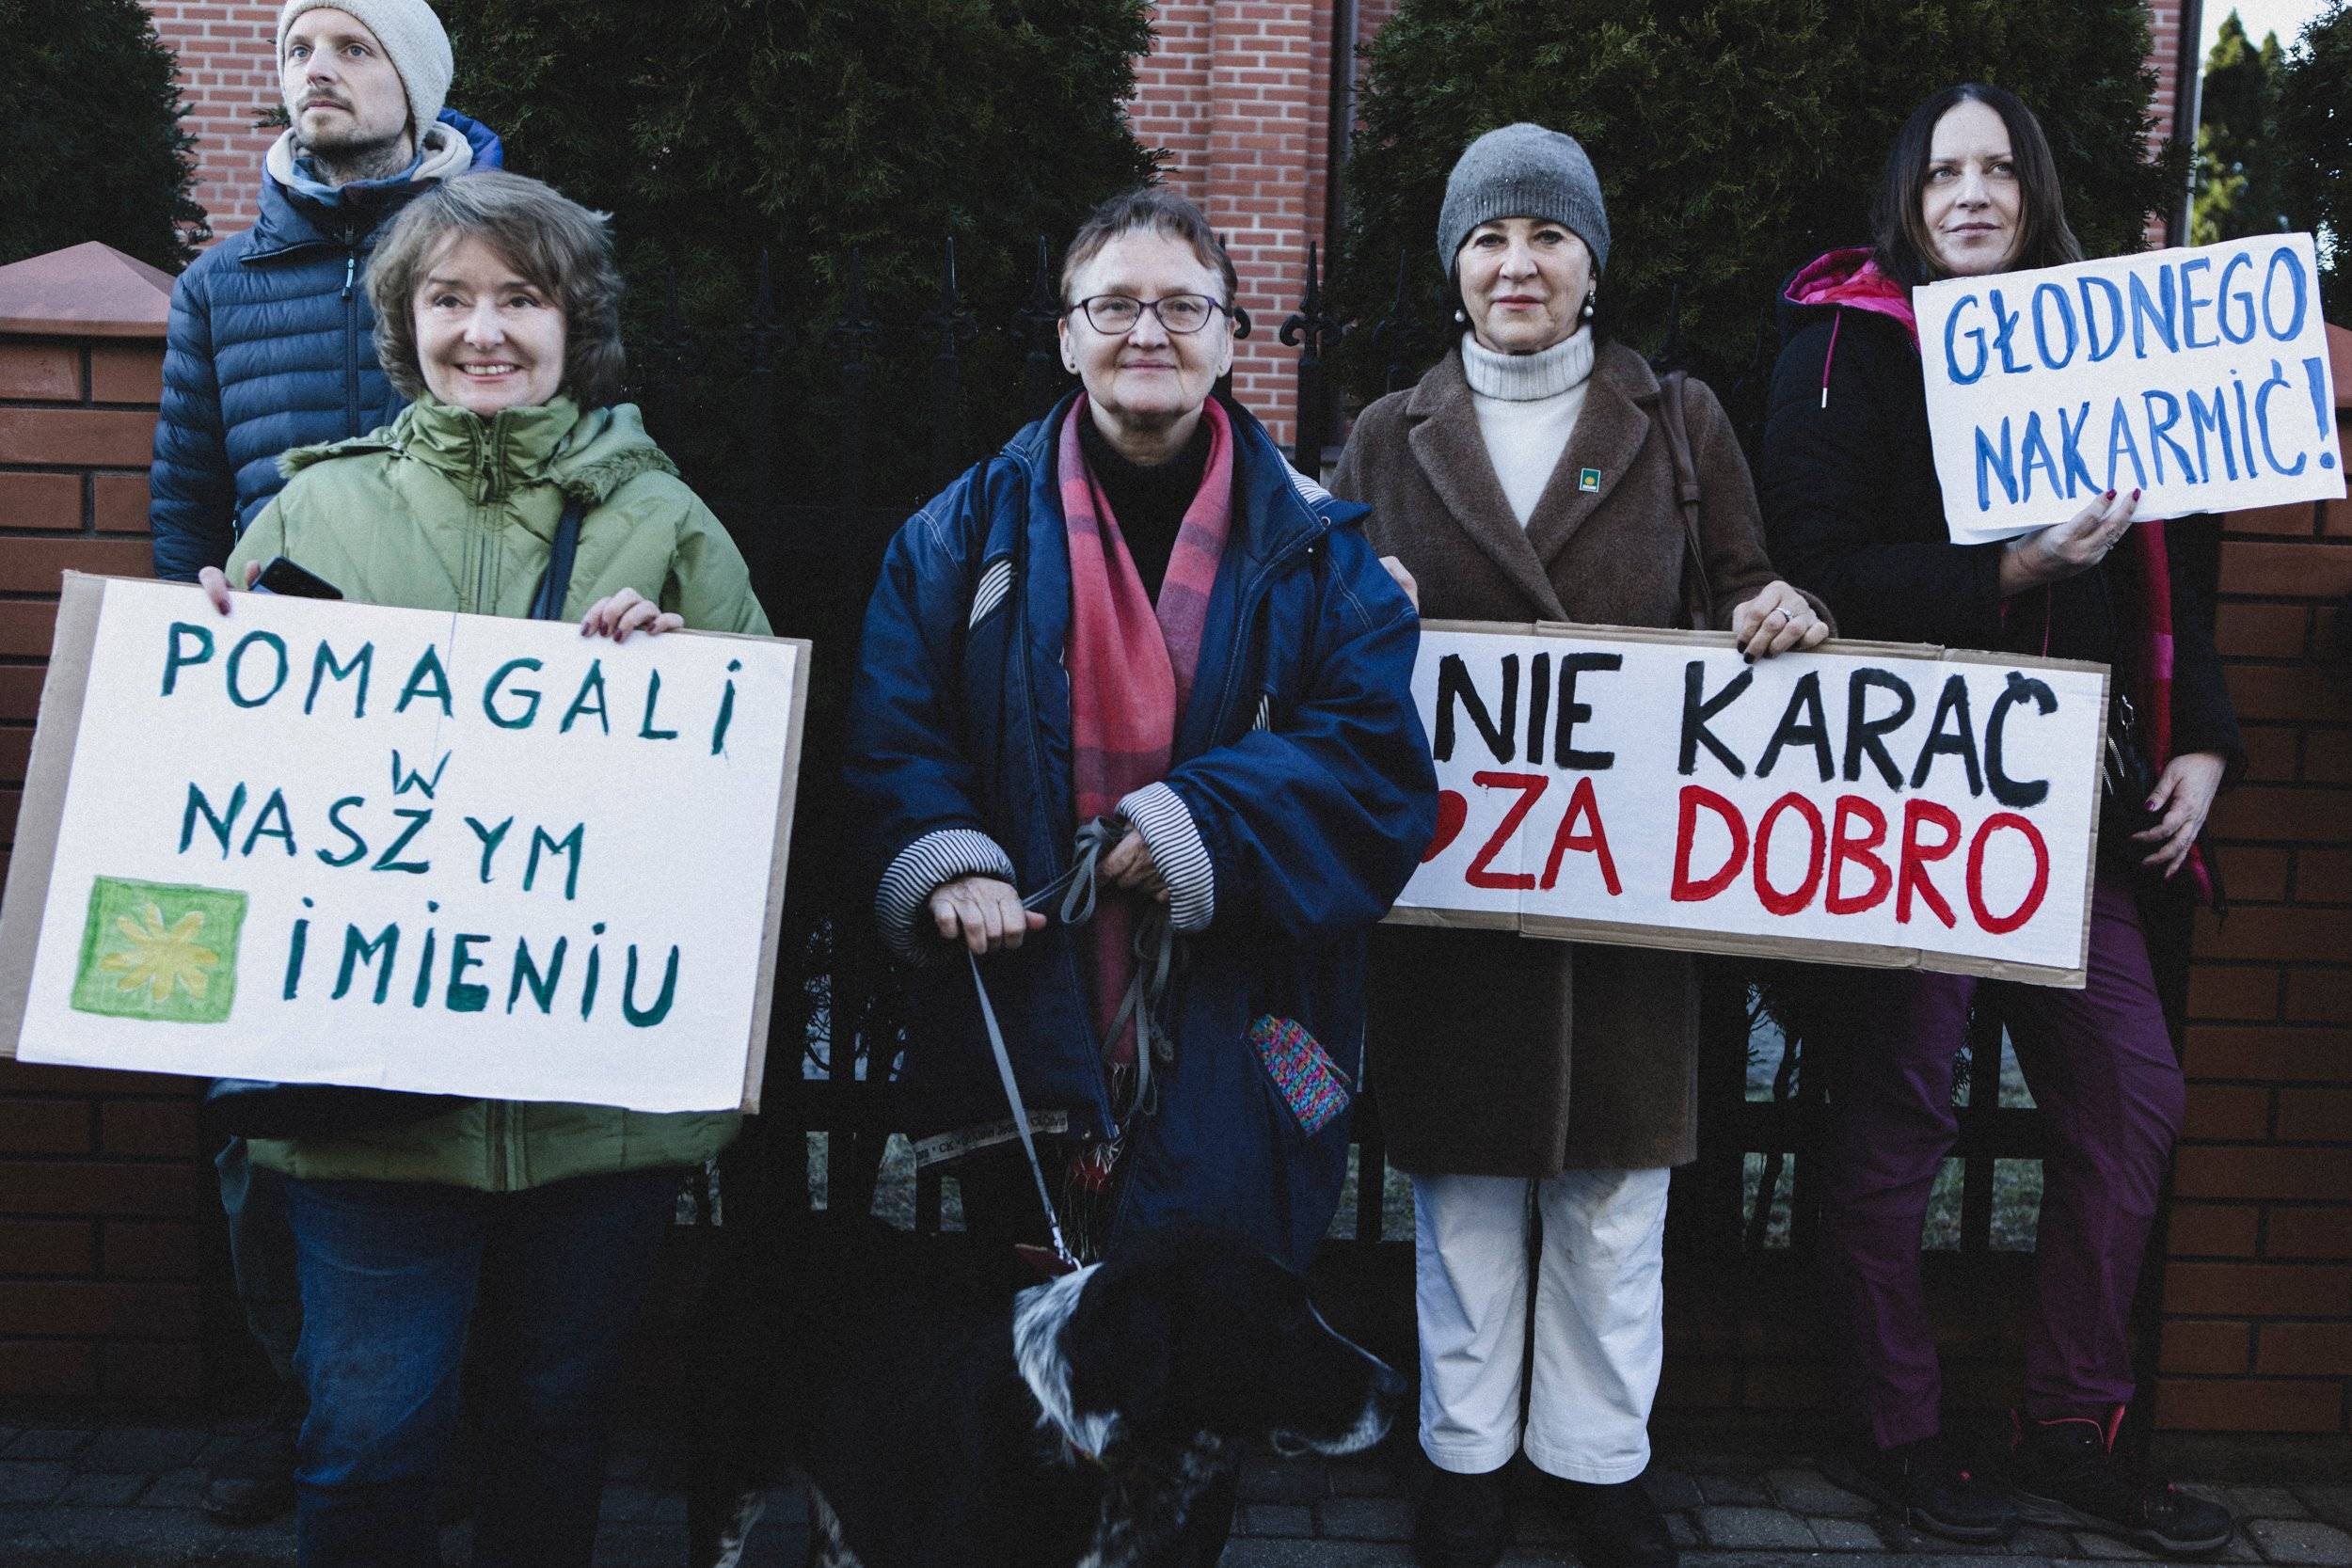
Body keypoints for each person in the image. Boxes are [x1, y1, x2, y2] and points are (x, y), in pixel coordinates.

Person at [192, 169, 770, 1568]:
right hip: (368, 1103)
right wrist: (210, 668)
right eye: (449, 298)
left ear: (577, 320)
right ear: (405, 323)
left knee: (553, 1420)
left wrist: (696, 683)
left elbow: (757, 794)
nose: (485, 329)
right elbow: (234, 794)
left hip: (590, 1110)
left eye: (522, 296)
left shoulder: (671, 526)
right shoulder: (307, 518)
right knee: (371, 1435)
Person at [1330, 123, 1829, 1568]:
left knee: (1617, 1195)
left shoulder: (1679, 422)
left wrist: (1783, 613)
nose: (1516, 264)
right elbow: (1320, 643)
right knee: (1465, 1190)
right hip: (1464, 884)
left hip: (1626, 882)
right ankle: (1465, 1457)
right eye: (1488, 239)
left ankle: (1599, 1461)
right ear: (1454, 268)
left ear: (1592, 262)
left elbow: (1748, 594)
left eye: (1546, 236)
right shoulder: (1383, 434)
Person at [1759, 83, 2239, 1557]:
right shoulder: (1841, 347)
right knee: (1900, 1113)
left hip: (2073, 811)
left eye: (1999, 172)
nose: (1971, 194)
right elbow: (1820, 569)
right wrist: (2013, 568)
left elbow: (2172, 556)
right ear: (1906, 195)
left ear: (2033, 194)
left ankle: (2074, 1418)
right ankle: (1897, 1426)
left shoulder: (2099, 353)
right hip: (1917, 808)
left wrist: (2203, 737)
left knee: (2130, 1099)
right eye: (1943, 171)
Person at [843, 186, 1433, 1273]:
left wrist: (1195, 827)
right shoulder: (953, 537)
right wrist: (944, 863)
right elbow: (893, 732)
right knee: (1034, 1326)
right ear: (1067, 335)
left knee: (1221, 1315)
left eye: (1181, 305)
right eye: (1112, 306)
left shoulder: (1325, 554)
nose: (1148, 332)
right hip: (1025, 995)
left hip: (1259, 1016)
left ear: (1227, 334)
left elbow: (1377, 774)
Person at [147, 0, 500, 1522]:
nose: (315, 71)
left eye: (352, 46)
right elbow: (181, 511)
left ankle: (447, 1421)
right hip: (274, 770)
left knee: (456, 1092)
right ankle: (312, 1415)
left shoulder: (494, 266)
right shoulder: (219, 290)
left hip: (467, 765)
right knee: (259, 1111)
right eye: (298, 46)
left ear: (414, 81)